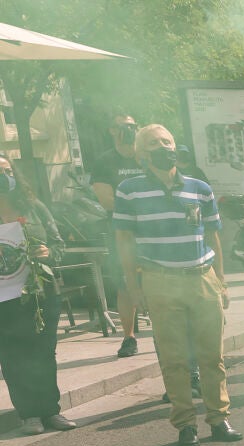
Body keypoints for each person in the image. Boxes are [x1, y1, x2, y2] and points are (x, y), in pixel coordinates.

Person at [113, 124, 243, 446]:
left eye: (167, 141)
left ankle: (219, 418)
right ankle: (185, 424)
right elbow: (124, 240)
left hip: (202, 278)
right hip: (159, 280)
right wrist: (133, 286)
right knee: (174, 359)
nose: (163, 147)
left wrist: (222, 281)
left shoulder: (200, 188)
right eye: (153, 143)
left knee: (212, 355)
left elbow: (213, 236)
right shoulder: (129, 191)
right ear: (141, 155)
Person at [0, 160, 75, 435]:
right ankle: (29, 414)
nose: (4, 176)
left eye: (8, 171)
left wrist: (48, 253)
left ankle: (51, 410)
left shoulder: (34, 207)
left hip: (41, 292)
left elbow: (58, 244)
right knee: (13, 356)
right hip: (4, 300)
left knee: (44, 352)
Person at [90, 113, 147, 359]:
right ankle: (129, 336)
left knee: (159, 279)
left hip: (154, 230)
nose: (129, 130)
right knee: (125, 283)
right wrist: (142, 208)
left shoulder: (145, 156)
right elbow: (106, 201)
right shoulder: (104, 162)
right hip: (123, 231)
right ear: (112, 131)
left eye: (133, 126)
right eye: (123, 126)